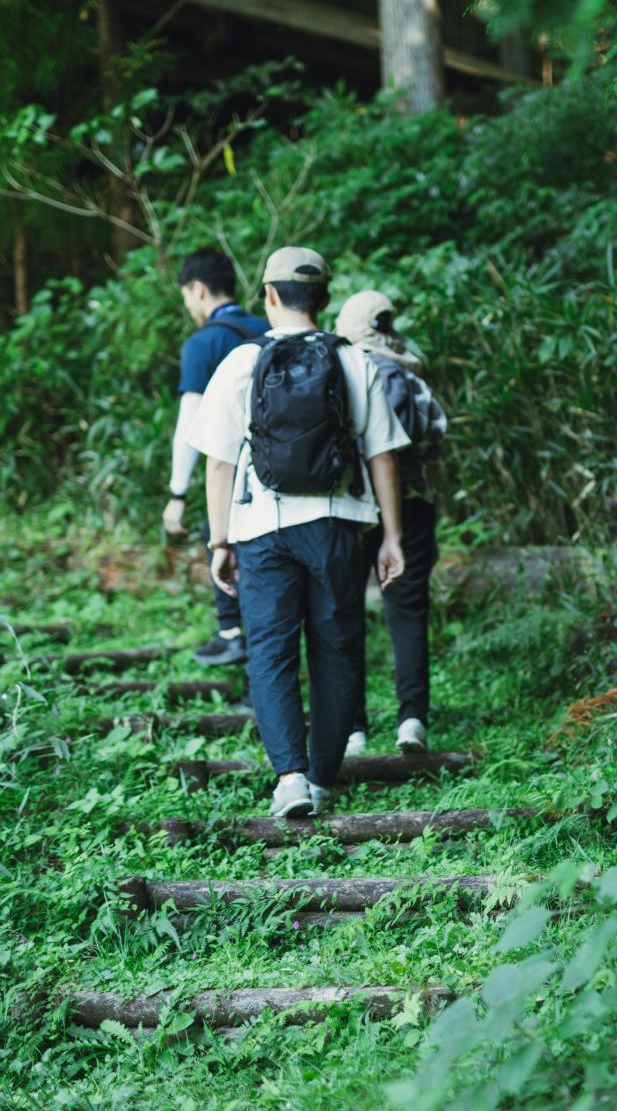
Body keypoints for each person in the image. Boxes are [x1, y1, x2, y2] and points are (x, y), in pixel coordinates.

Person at [185, 247, 409, 818]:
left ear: (269, 296)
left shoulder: (240, 362)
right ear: (326, 299)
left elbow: (217, 462)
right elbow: (383, 456)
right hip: (340, 525)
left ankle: (288, 778)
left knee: (271, 651)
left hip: (263, 528)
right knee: (337, 649)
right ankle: (323, 777)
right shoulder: (354, 360)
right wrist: (392, 538)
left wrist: (219, 541)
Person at [334, 291, 447, 756]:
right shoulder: (408, 374)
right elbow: (437, 434)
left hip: (352, 509)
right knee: (407, 611)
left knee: (343, 616)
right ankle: (412, 719)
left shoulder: (339, 373)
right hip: (412, 503)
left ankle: (352, 726)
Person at [165, 248, 270, 667]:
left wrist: (177, 493)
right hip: (277, 473)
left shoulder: (203, 343)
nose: (189, 305)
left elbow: (190, 426)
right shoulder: (266, 327)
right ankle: (251, 657)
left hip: (229, 474)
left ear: (199, 289)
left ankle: (233, 636)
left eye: (186, 296)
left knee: (222, 544)